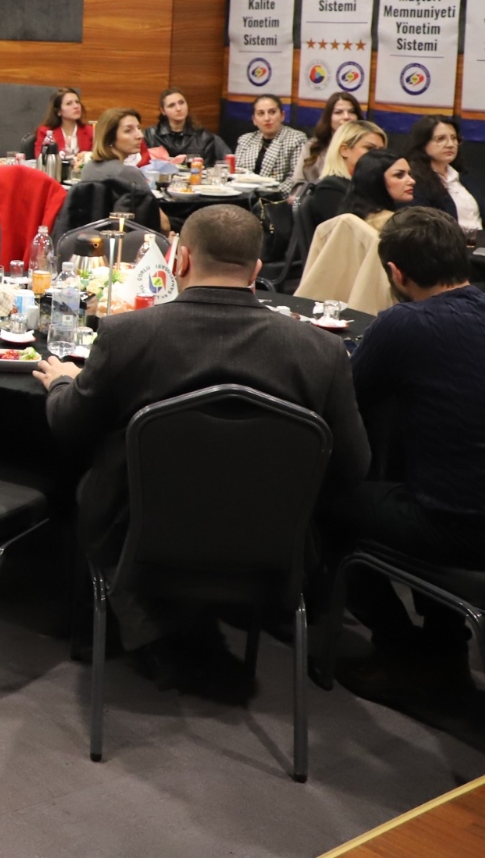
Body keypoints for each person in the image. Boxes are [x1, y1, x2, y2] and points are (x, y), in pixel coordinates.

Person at [35, 206, 368, 699]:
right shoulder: (322, 351)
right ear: (257, 270)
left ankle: (141, 624)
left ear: (181, 260)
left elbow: (69, 426)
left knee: (88, 479)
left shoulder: (129, 334)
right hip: (272, 543)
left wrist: (64, 383)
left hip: (141, 536)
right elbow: (353, 467)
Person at [327, 208, 485, 697]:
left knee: (323, 503)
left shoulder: (404, 324)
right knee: (438, 472)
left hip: (467, 528)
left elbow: (344, 399)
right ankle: (444, 650)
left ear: (395, 273)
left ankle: (402, 652)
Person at [403, 115, 479, 236]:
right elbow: (422, 227)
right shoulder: (414, 180)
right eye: (440, 139)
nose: (450, 144)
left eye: (454, 138)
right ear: (423, 143)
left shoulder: (462, 176)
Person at [302, 119, 387, 228]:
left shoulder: (372, 187)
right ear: (344, 150)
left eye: (381, 150)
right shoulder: (330, 188)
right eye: (369, 148)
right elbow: (347, 232)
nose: (378, 155)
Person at [231, 94, 307, 192]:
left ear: (282, 116)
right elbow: (237, 173)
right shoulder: (245, 140)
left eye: (272, 112)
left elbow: (296, 179)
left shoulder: (296, 139)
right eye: (261, 113)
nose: (267, 118)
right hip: (243, 194)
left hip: (276, 197)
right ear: (254, 120)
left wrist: (270, 193)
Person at [299, 91, 366, 186]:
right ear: (328, 117)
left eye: (352, 112)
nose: (346, 117)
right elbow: (297, 182)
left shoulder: (366, 146)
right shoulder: (312, 146)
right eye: (338, 112)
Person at [79, 108, 154, 190]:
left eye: (139, 128)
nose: (140, 135)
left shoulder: (88, 168)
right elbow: (149, 198)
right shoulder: (128, 173)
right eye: (128, 130)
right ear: (109, 137)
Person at [31, 87, 93, 159]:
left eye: (77, 102)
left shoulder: (89, 131)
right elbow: (41, 158)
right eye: (69, 103)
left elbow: (97, 156)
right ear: (59, 111)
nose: (76, 106)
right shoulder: (45, 132)